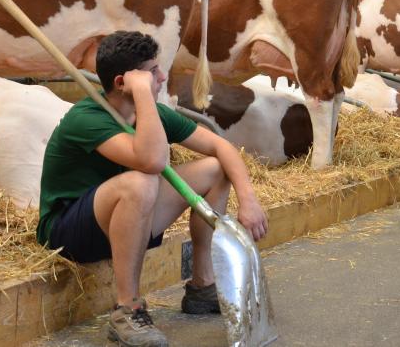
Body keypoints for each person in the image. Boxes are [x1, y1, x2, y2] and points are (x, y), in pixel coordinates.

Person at [36, 31, 268, 347]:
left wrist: (248, 199)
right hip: (68, 232)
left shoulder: (151, 115)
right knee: (141, 180)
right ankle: (127, 311)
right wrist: (145, 95)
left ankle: (203, 286)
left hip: (125, 220)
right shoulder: (86, 118)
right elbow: (152, 161)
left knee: (215, 169)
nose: (161, 78)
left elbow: (221, 146)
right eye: (152, 72)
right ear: (123, 84)